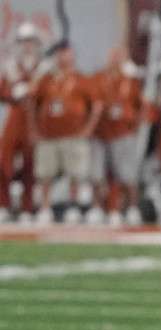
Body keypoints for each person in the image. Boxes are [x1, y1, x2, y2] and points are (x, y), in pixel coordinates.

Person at [28, 43, 101, 225]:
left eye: (66, 54)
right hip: (49, 135)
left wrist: (88, 128)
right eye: (60, 54)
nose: (63, 58)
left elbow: (96, 106)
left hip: (73, 135)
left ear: (72, 56)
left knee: (75, 173)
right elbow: (32, 103)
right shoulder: (46, 79)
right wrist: (34, 129)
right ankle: (45, 208)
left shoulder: (82, 79)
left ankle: (73, 206)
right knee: (45, 174)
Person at [89, 45, 147, 226]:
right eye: (112, 55)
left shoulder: (130, 81)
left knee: (127, 175)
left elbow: (142, 107)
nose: (115, 60)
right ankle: (97, 208)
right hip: (100, 133)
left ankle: (131, 208)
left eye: (119, 56)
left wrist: (134, 127)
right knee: (97, 174)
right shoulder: (97, 79)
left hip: (123, 133)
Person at [0, 23, 46, 222]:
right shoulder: (10, 67)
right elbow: (2, 92)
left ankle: (27, 208)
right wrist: (12, 92)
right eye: (23, 42)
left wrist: (33, 91)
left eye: (30, 42)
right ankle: (3, 204)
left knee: (30, 164)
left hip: (33, 118)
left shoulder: (43, 68)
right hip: (14, 116)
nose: (27, 46)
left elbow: (48, 93)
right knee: (3, 162)